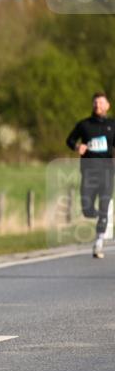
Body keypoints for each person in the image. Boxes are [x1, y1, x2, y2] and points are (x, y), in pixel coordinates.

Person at [66, 92, 115, 258]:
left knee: (103, 205)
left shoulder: (112, 125)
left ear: (107, 105)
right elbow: (70, 140)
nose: (98, 106)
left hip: (107, 173)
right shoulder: (84, 125)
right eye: (95, 103)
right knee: (87, 209)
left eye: (101, 103)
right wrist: (77, 147)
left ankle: (98, 243)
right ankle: (103, 216)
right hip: (88, 172)